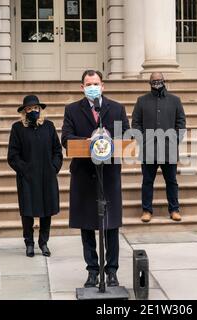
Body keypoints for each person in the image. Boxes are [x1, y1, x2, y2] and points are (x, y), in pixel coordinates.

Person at [61, 70, 130, 288]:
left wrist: (110, 137)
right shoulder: (72, 110)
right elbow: (66, 139)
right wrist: (89, 140)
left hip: (108, 176)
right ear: (82, 87)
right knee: (87, 226)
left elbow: (127, 138)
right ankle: (92, 271)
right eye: (88, 84)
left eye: (96, 83)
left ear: (103, 86)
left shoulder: (117, 108)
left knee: (110, 226)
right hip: (84, 175)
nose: (93, 87)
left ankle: (111, 271)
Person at [7, 95, 63, 258]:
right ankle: (29, 243)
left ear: (40, 109)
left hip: (47, 176)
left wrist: (54, 167)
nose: (33, 111)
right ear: (24, 111)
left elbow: (57, 151)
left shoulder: (49, 126)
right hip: (28, 178)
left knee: (47, 211)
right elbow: (13, 155)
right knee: (28, 212)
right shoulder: (17, 128)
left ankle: (43, 242)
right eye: (30, 109)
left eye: (36, 108)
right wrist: (24, 170)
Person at [131, 72, 186, 223]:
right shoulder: (141, 101)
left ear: (164, 81)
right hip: (148, 149)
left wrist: (175, 140)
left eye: (159, 80)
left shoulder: (175, 100)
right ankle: (147, 210)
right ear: (149, 83)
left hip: (169, 148)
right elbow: (135, 123)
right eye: (154, 81)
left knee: (172, 181)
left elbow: (181, 123)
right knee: (147, 181)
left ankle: (174, 209)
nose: (157, 83)